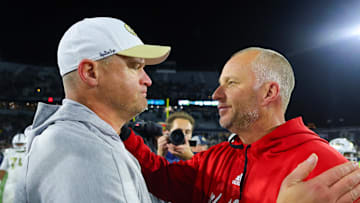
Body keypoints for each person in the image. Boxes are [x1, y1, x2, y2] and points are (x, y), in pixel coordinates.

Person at [121, 47, 360, 202]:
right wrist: (121, 131)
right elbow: (160, 176)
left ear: (269, 92)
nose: (215, 94)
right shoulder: (217, 158)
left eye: (231, 83)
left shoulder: (325, 166)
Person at [14, 17, 171, 202]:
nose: (147, 80)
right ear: (90, 72)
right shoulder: (89, 153)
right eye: (135, 66)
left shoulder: (75, 139)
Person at [0, 133, 26, 203]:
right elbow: (3, 169)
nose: (19, 146)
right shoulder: (9, 153)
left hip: (24, 184)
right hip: (11, 184)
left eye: (20, 144)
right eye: (18, 144)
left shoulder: (29, 153)